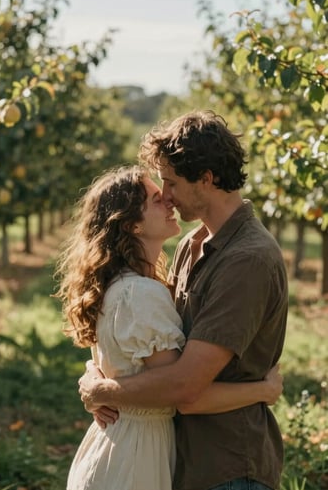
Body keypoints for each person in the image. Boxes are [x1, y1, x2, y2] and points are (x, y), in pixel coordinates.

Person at [78, 112, 289, 490]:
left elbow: (185, 388)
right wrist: (96, 374)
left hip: (228, 466)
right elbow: (143, 343)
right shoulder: (191, 246)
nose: (167, 194)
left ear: (206, 179)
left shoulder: (247, 258)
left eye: (171, 181)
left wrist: (104, 390)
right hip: (183, 460)